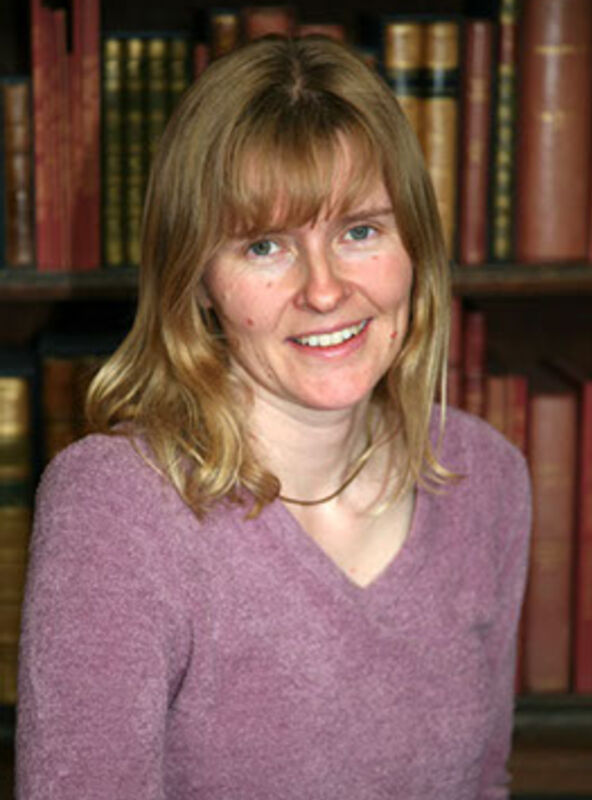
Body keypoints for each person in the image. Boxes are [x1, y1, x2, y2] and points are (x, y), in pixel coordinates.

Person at [17, 35, 531, 799]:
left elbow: (487, 783)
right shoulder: (117, 508)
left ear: (415, 247)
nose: (324, 291)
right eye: (265, 246)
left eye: (360, 231)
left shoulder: (486, 478)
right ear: (198, 281)